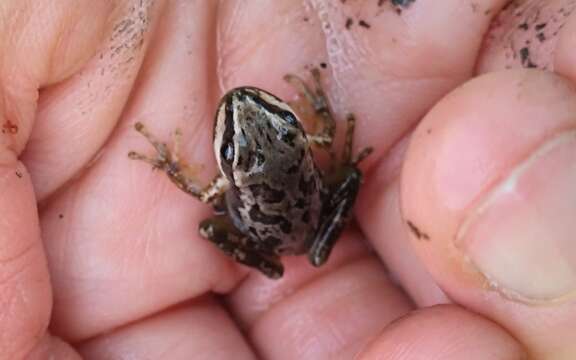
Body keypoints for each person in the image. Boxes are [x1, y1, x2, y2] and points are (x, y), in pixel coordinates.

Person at [2, 0, 572, 358]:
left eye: (276, 116)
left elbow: (205, 193)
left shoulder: (226, 186)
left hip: (295, 231)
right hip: (291, 235)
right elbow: (313, 144)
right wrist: (328, 134)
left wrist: (167, 162)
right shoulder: (299, 145)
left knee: (210, 226)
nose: (245, 105)